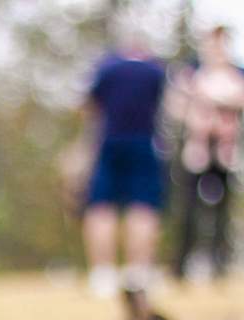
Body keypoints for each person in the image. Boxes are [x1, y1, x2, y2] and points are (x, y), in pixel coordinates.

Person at [81, 27, 168, 298]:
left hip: (109, 143)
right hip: (144, 143)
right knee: (143, 208)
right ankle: (138, 273)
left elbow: (89, 106)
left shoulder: (106, 69)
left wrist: (84, 145)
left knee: (101, 207)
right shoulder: (155, 71)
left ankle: (102, 275)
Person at [168, 26, 244, 280]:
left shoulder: (238, 74)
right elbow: (176, 108)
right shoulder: (192, 73)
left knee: (223, 210)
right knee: (189, 207)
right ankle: (181, 263)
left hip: (226, 150)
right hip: (197, 148)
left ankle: (220, 263)